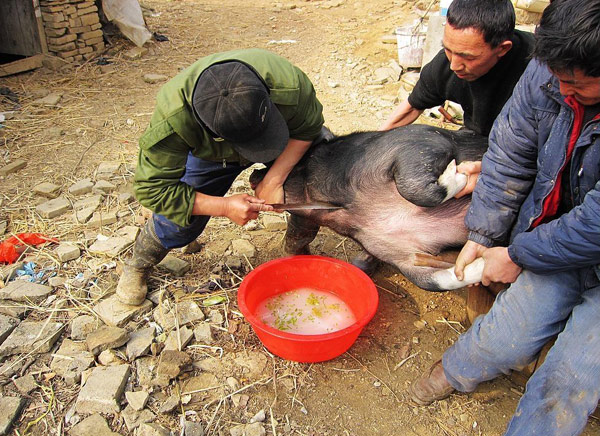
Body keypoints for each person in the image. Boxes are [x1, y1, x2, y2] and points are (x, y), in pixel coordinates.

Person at [408, 0, 600, 434]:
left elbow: (596, 223)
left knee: (572, 378)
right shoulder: (550, 71)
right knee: (506, 335)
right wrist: (483, 231)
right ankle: (455, 372)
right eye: (557, 78)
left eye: (577, 85)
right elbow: (512, 150)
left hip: (581, 235)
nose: (563, 90)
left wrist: (516, 254)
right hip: (558, 238)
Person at [116, 48, 324, 306]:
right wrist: (224, 206)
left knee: (316, 181)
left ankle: (295, 249)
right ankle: (138, 263)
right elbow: (153, 190)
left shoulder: (288, 85)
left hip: (284, 140)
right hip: (212, 155)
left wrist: (275, 179)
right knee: (181, 220)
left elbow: (309, 128)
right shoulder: (173, 122)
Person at [380, 0, 534, 197]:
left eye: (468, 57)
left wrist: (490, 168)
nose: (454, 65)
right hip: (475, 138)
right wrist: (371, 147)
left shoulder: (537, 69)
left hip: (524, 149)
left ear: (502, 49)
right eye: (448, 49)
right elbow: (412, 107)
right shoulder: (446, 65)